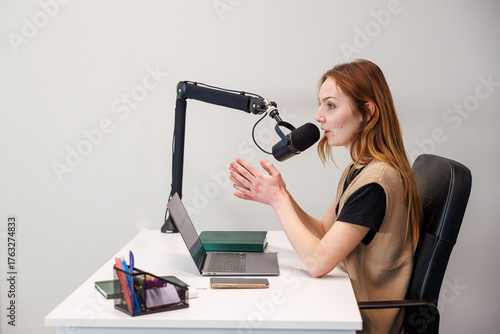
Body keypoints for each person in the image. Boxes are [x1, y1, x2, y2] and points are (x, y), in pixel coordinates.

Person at [228, 59, 423, 334]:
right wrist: (281, 194)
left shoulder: (376, 183)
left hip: (363, 322)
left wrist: (278, 201)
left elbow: (318, 263)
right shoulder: (359, 169)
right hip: (345, 304)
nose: (318, 116)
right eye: (321, 104)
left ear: (366, 112)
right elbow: (323, 231)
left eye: (330, 105)